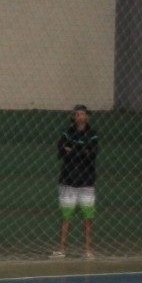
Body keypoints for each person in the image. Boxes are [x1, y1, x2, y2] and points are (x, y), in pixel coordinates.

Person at [51, 104, 99, 260]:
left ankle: (88, 250)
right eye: (77, 114)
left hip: (86, 182)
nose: (80, 117)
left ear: (87, 116)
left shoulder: (93, 134)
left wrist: (72, 150)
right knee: (66, 217)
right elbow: (61, 150)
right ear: (73, 116)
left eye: (82, 114)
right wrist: (81, 150)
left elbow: (91, 153)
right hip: (68, 181)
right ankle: (62, 249)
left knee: (88, 217)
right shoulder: (67, 133)